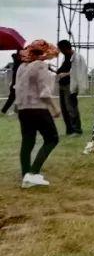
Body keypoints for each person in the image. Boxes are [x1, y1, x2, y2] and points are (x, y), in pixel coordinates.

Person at [14, 40, 62, 188]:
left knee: (28, 141)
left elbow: (17, 88)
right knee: (52, 139)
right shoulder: (41, 66)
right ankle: (33, 173)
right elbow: (44, 92)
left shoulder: (22, 67)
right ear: (44, 53)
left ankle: (26, 175)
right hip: (38, 109)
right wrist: (55, 108)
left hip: (24, 109)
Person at [56, 39, 88, 136]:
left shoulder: (77, 58)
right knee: (64, 108)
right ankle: (69, 129)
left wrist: (64, 74)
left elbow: (78, 72)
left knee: (71, 107)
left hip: (70, 86)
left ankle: (77, 130)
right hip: (62, 85)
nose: (60, 52)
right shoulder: (66, 57)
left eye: (61, 49)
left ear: (66, 48)